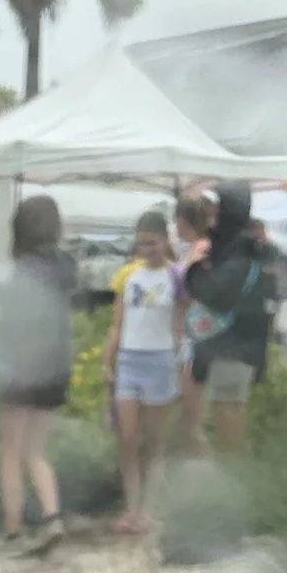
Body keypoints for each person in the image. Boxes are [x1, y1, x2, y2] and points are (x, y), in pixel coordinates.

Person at [0, 192, 75, 551]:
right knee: (36, 451)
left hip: (21, 370)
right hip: (55, 369)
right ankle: (52, 518)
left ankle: (13, 531)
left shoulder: (25, 268)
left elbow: (11, 319)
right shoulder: (64, 269)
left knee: (11, 451)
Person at [104, 205, 184, 535]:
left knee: (154, 439)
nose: (147, 249)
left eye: (152, 242)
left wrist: (183, 359)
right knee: (127, 437)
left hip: (161, 361)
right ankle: (131, 508)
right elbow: (117, 322)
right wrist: (108, 359)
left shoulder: (176, 276)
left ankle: (148, 510)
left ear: (165, 241)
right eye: (142, 243)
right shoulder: (128, 276)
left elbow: (182, 321)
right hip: (129, 360)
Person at [180, 176, 272, 456]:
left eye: (216, 206)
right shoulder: (235, 244)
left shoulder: (239, 248)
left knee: (228, 411)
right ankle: (234, 467)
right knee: (226, 408)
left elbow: (216, 293)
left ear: (229, 209)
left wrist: (194, 272)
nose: (211, 212)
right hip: (232, 344)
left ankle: (237, 472)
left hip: (236, 346)